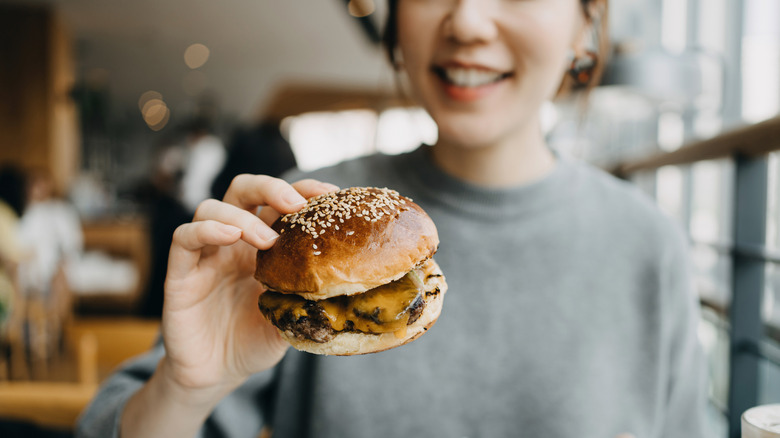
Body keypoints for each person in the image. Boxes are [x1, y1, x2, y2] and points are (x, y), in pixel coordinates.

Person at [77, 0, 708, 437]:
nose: (466, 20)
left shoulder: (651, 246)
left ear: (584, 22)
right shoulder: (290, 227)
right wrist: (187, 388)